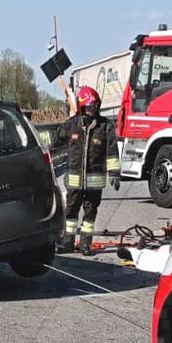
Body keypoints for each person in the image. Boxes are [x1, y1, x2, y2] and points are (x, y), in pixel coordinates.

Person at [57, 86, 121, 255]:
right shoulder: (72, 124)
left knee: (90, 214)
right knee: (70, 213)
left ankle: (85, 244)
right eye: (88, 106)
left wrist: (114, 173)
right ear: (81, 107)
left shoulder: (105, 126)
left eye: (94, 106)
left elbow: (112, 150)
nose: (92, 109)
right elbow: (57, 139)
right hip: (74, 182)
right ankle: (67, 242)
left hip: (94, 183)